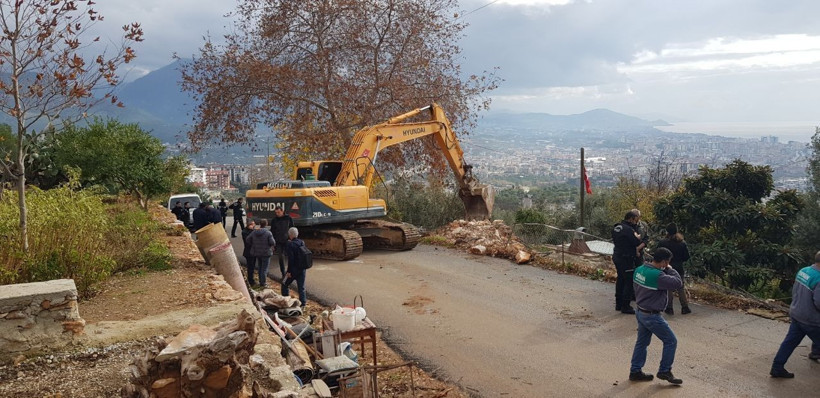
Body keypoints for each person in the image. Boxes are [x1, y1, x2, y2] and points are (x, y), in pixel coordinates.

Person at [629, 247, 684, 385]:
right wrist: (670, 269)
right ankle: (664, 370)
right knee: (671, 341)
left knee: (641, 343)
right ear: (665, 262)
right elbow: (678, 283)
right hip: (652, 315)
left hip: (640, 311)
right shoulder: (658, 276)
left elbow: (636, 289)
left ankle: (635, 371)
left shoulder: (639, 269)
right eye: (667, 262)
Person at [769, 251, 820, 378]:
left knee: (790, 341)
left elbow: (796, 290)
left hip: (797, 313)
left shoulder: (804, 271)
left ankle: (777, 367)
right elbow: (819, 303)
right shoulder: (819, 279)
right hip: (811, 320)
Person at [612, 210, 643, 314]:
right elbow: (636, 242)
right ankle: (626, 305)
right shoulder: (628, 229)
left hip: (617, 255)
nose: (636, 222)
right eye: (635, 220)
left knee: (620, 279)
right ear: (631, 219)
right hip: (626, 258)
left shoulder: (616, 227)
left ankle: (618, 303)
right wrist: (637, 237)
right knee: (628, 281)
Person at [658, 223, 691, 315]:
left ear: (667, 231)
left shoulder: (663, 242)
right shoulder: (682, 243)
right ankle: (685, 307)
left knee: (668, 287)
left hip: (666, 266)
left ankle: (669, 307)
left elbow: (658, 253)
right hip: (679, 267)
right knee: (680, 287)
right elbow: (686, 257)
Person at [282, 227, 308, 311]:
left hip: (293, 269)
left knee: (284, 284)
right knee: (301, 287)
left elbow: (291, 259)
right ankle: (303, 304)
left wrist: (289, 271)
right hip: (302, 269)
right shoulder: (302, 242)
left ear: (290, 235)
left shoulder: (290, 244)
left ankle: (286, 301)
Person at [245, 218, 275, 287]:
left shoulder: (254, 232)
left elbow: (247, 239)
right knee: (264, 269)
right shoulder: (268, 233)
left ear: (259, 224)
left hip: (257, 252)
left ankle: (260, 281)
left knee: (260, 267)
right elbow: (272, 242)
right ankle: (263, 283)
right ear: (266, 224)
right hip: (266, 252)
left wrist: (253, 244)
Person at [271, 206, 294, 278]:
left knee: (291, 256)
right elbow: (272, 231)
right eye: (276, 212)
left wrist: (292, 238)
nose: (277, 214)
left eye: (278, 212)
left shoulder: (288, 218)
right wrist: (272, 242)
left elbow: (292, 228)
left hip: (287, 240)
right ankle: (283, 272)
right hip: (278, 241)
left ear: (282, 211)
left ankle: (290, 271)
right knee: (281, 257)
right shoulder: (274, 220)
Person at [241, 219, 258, 286]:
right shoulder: (245, 232)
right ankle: (251, 281)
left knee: (252, 266)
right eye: (253, 224)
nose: (254, 225)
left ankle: (251, 279)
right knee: (250, 267)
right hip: (249, 252)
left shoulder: (252, 231)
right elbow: (248, 241)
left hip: (253, 251)